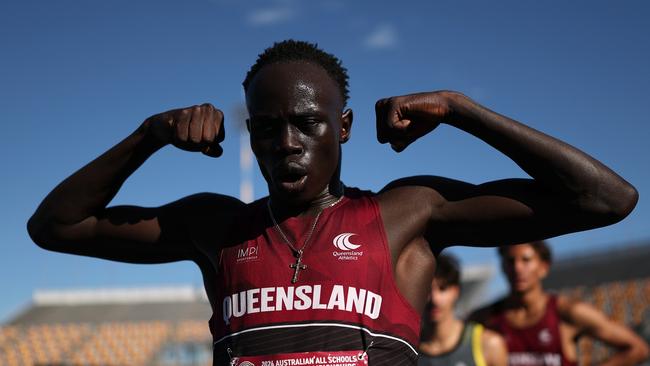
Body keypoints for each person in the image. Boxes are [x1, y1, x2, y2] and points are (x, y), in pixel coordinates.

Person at [27, 39, 638, 366]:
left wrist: (461, 109)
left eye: (308, 124)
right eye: (267, 128)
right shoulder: (217, 226)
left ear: (343, 127)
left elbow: (606, 199)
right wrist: (147, 135)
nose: (288, 144)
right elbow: (55, 227)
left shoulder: (406, 215)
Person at [469, 242, 649, 366]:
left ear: (544, 267)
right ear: (502, 267)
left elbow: (637, 348)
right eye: (510, 261)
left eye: (526, 260)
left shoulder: (568, 311)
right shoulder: (485, 318)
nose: (517, 268)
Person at [419, 254, 507, 366]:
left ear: (456, 291)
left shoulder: (488, 345)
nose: (434, 299)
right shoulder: (404, 348)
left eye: (443, 288)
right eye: (426, 289)